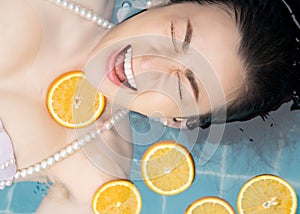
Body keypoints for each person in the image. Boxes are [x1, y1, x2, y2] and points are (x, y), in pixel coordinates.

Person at [0, 0, 299, 213]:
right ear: (161, 3)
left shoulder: (97, 179)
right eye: (174, 35)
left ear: (176, 120)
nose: (144, 64)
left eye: (182, 87)